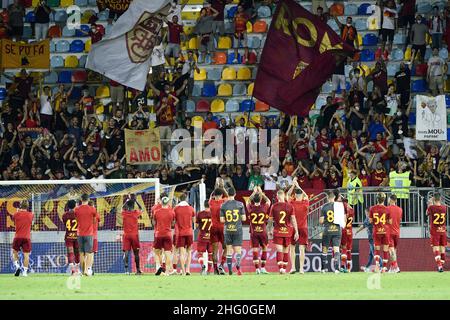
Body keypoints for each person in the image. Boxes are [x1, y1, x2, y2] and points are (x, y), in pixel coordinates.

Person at [268, 189, 299, 274]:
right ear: (284, 196)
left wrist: (269, 229)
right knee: (286, 250)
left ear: (277, 197)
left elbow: (270, 220)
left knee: (279, 250)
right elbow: (293, 219)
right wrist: (296, 231)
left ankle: (281, 268)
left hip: (278, 231)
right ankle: (284, 269)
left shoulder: (274, 206)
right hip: (288, 231)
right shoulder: (290, 206)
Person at [220, 187, 246, 275]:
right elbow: (243, 218)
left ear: (227, 194)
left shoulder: (223, 205)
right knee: (238, 250)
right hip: (237, 229)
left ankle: (230, 271)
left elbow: (222, 220)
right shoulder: (240, 204)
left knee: (229, 250)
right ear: (235, 194)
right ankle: (238, 267)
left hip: (227, 230)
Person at [246, 186, 271, 274]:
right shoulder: (264, 207)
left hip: (254, 232)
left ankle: (257, 269)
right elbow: (268, 201)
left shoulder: (251, 208)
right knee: (264, 248)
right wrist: (261, 193)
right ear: (260, 200)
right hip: (263, 232)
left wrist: (254, 192)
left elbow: (247, 201)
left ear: (253, 200)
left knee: (255, 250)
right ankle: (263, 268)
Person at [319, 190, 346, 273]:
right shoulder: (340, 206)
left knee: (325, 249)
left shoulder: (324, 207)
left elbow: (321, 221)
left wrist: (325, 220)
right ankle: (337, 269)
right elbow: (344, 219)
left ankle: (324, 268)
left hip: (327, 230)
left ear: (327, 198)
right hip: (337, 230)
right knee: (336, 249)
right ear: (334, 197)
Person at [287, 178, 309, 274]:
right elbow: (307, 195)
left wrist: (293, 185)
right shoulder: (305, 203)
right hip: (303, 228)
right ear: (301, 195)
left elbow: (287, 195)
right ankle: (301, 269)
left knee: (292, 248)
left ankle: (293, 268)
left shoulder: (292, 203)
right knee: (301, 249)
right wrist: (298, 186)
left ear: (295, 195)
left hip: (293, 228)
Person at [75, 193, 98, 276]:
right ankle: (88, 270)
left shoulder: (76, 209)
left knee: (81, 253)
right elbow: (95, 220)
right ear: (88, 200)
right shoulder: (92, 209)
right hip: (89, 234)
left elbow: (76, 219)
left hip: (80, 233)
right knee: (88, 253)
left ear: (81, 199)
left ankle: (83, 270)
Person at [153, 196, 176, 276]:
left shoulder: (156, 212)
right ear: (168, 202)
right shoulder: (172, 212)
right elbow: (173, 223)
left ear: (161, 202)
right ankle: (166, 272)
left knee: (156, 251)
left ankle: (159, 266)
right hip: (168, 234)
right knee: (168, 253)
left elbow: (154, 223)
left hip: (159, 234)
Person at [174, 192, 196, 276]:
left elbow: (173, 221)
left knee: (182, 253)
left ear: (179, 199)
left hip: (180, 233)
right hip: (189, 232)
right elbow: (194, 221)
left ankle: (183, 271)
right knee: (189, 252)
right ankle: (188, 270)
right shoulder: (191, 208)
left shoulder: (176, 209)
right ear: (186, 199)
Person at [369, 192, 391, 272]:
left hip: (376, 231)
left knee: (377, 250)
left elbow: (370, 221)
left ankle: (377, 267)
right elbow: (390, 221)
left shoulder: (372, 208)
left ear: (376, 199)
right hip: (385, 231)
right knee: (385, 250)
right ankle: (384, 268)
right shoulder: (387, 209)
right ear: (384, 199)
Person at [121, 195, 143, 275]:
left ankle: (126, 270)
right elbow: (141, 209)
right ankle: (138, 270)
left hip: (126, 235)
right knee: (136, 253)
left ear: (127, 206)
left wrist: (126, 201)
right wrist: (136, 201)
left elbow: (121, 208)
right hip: (134, 235)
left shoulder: (124, 213)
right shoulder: (135, 213)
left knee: (126, 252)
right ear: (133, 206)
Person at [209, 186, 228, 274]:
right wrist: (222, 187)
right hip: (222, 228)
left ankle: (216, 270)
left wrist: (215, 188)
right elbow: (227, 196)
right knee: (226, 247)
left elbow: (210, 196)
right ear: (221, 195)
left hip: (213, 228)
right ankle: (222, 265)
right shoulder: (224, 202)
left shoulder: (211, 202)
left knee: (215, 251)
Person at [426, 192, 447, 272]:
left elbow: (427, 213)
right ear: (440, 199)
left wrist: (430, 204)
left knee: (436, 248)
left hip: (435, 231)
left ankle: (439, 266)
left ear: (434, 199)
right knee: (442, 248)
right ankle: (441, 265)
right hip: (443, 230)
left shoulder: (432, 207)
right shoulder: (444, 207)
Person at [12, 200, 33, 277]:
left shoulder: (16, 214)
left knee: (14, 252)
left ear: (20, 206)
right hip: (26, 237)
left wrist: (18, 211)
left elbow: (13, 218)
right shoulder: (31, 215)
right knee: (26, 255)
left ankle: (17, 266)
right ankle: (24, 272)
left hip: (17, 237)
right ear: (27, 206)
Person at [62, 200, 80, 275]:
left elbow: (65, 223)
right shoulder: (78, 214)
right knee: (77, 253)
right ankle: (77, 270)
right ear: (75, 205)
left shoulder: (64, 215)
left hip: (69, 235)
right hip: (77, 235)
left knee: (70, 252)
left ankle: (72, 270)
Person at [196, 200, 213, 275]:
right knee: (210, 254)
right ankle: (209, 271)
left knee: (200, 253)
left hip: (202, 236)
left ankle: (202, 265)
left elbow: (196, 226)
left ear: (204, 205)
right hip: (211, 237)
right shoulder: (213, 214)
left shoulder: (200, 214)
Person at [355, 208, 375, 272]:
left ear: (369, 212)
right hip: (370, 237)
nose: (366, 214)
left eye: (367, 213)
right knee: (371, 254)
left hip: (372, 238)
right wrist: (357, 231)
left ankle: (381, 265)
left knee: (374, 253)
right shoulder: (367, 219)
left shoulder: (371, 218)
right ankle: (367, 267)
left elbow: (364, 225)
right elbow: (363, 226)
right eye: (365, 213)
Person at [386, 194, 402, 273]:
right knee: (394, 250)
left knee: (391, 250)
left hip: (389, 232)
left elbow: (387, 221)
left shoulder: (387, 209)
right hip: (397, 232)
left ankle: (396, 267)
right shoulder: (400, 209)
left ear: (390, 200)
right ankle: (392, 267)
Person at [340, 198, 354, 272]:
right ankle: (348, 268)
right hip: (350, 231)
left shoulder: (343, 211)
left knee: (343, 249)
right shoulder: (352, 210)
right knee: (349, 250)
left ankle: (342, 265)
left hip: (344, 230)